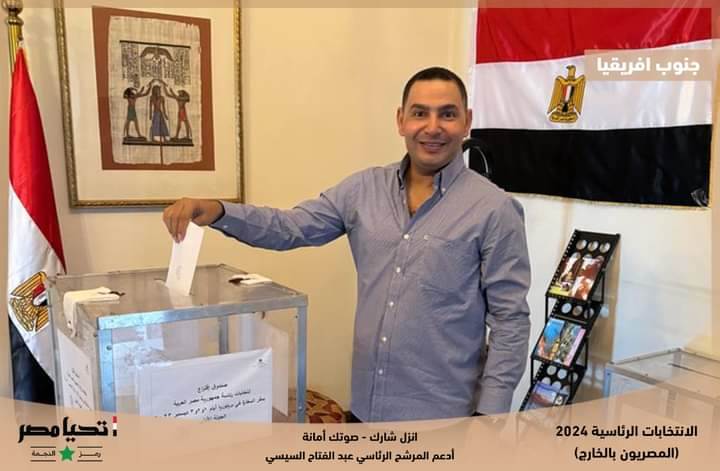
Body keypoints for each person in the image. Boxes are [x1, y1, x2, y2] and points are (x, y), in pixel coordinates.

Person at [163, 67, 531, 422]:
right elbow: (290, 227)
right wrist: (219, 211)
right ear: (401, 120)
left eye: (447, 114)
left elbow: (510, 319)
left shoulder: (494, 209)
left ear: (466, 122)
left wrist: (491, 416)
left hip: (444, 420)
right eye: (420, 113)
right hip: (366, 406)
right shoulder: (362, 190)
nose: (432, 127)